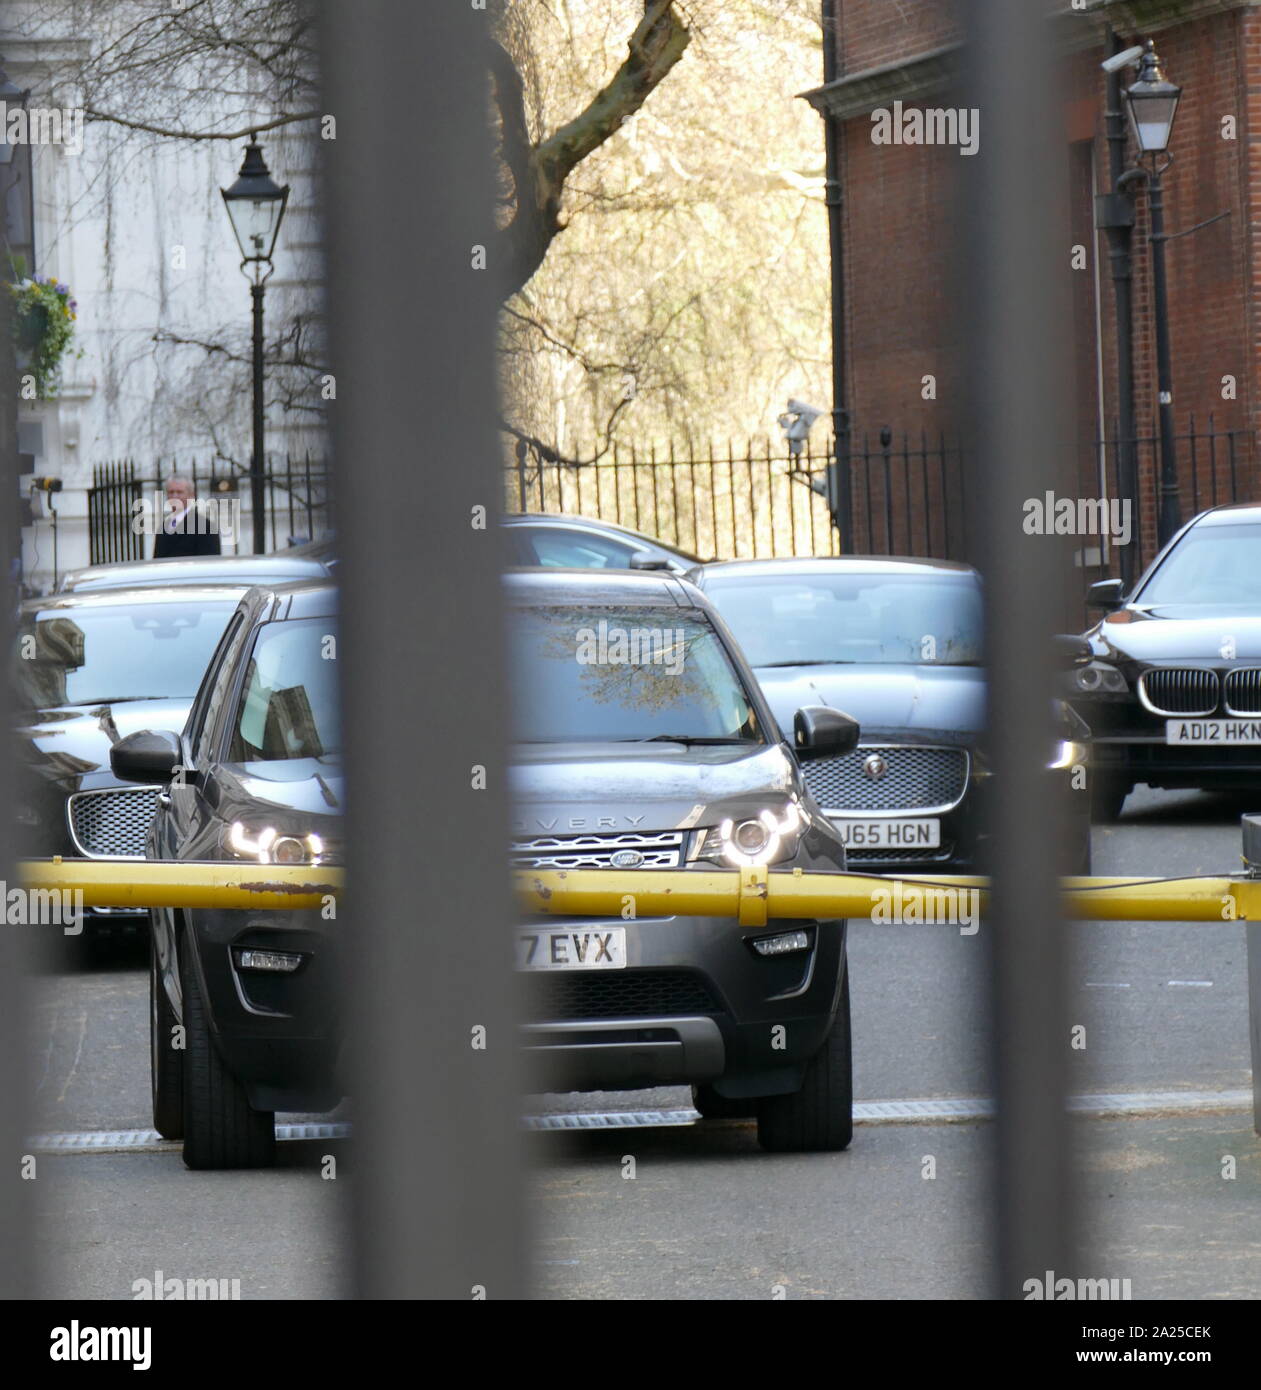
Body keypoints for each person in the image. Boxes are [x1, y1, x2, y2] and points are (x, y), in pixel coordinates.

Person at [153, 475, 222, 558]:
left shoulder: (206, 527)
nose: (174, 496)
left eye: (179, 492)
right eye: (171, 492)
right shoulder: (163, 527)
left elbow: (210, 564)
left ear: (191, 495)